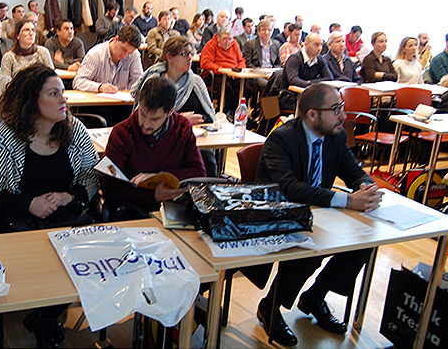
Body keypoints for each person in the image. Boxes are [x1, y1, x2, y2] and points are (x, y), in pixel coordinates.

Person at [0, 64, 100, 347]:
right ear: (31, 102)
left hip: (65, 217)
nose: (63, 99)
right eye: (54, 94)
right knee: (48, 260)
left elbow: (92, 176)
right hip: (21, 220)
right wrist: (29, 203)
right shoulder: (5, 137)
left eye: (63, 92)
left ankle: (46, 316)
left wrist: (69, 196)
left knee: (82, 259)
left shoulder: (73, 130)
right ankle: (45, 316)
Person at [244, 83, 381, 346]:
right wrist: (346, 200)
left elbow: (352, 169)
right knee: (309, 250)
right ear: (312, 115)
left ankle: (315, 296)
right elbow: (290, 188)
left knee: (363, 244)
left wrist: (366, 187)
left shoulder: (336, 135)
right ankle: (270, 307)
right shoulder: (281, 139)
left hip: (319, 212)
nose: (343, 116)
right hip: (280, 214)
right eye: (336, 109)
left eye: (342, 108)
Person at [102, 76, 206, 212]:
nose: (146, 124)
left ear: (170, 111)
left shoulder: (182, 128)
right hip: (134, 210)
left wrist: (160, 176)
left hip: (175, 208)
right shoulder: (122, 133)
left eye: (155, 119)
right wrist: (152, 195)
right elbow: (107, 185)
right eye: (143, 114)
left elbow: (198, 173)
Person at [131, 36, 219, 176]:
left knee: (208, 162)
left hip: (193, 138)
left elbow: (210, 117)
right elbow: (142, 115)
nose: (190, 58)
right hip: (161, 138)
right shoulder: (155, 82)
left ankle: (204, 195)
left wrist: (194, 120)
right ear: (169, 57)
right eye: (184, 54)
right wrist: (180, 119)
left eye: (191, 53)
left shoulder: (196, 82)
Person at [73, 25, 143, 93]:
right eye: (123, 49)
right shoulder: (96, 54)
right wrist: (100, 87)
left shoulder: (134, 55)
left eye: (129, 52)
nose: (125, 55)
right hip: (98, 102)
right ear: (116, 39)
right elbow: (78, 81)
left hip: (123, 102)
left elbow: (139, 83)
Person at [275, 34, 333, 110]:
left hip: (310, 96)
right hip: (290, 97)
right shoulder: (294, 59)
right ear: (306, 45)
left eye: (321, 45)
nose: (319, 48)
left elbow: (329, 78)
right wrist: (309, 84)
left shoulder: (320, 59)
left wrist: (311, 83)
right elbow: (293, 80)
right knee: (317, 108)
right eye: (316, 45)